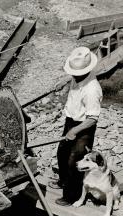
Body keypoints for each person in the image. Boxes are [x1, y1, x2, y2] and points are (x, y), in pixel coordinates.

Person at [49, 47, 103, 206]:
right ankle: (63, 181)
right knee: (62, 153)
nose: (72, 75)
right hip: (71, 120)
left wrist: (75, 130)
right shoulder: (78, 76)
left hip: (84, 127)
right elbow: (73, 79)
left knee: (75, 161)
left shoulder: (92, 90)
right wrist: (63, 82)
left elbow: (93, 118)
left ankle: (71, 196)